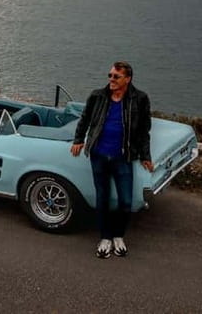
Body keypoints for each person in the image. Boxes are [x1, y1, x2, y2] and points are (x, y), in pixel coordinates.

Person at [70, 61, 154, 258]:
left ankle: (118, 236)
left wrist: (145, 155)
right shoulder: (97, 96)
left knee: (125, 201)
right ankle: (105, 238)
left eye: (116, 76)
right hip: (98, 155)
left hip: (122, 157)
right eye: (109, 76)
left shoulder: (140, 99)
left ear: (128, 79)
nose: (111, 80)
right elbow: (85, 119)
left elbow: (144, 130)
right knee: (103, 199)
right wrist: (78, 140)